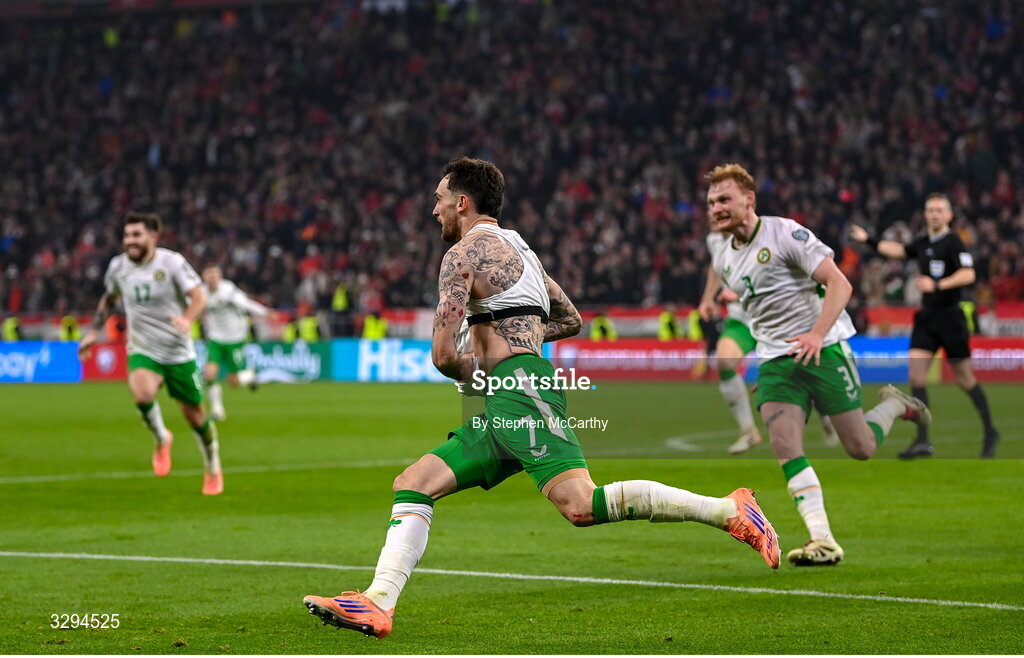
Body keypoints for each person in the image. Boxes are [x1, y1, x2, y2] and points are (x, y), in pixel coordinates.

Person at [303, 157, 780, 639]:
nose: (435, 209)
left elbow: (443, 356)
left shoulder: (462, 256)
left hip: (518, 390)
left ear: (462, 203)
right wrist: (520, 343)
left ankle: (728, 510)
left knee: (581, 505)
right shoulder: (521, 250)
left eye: (440, 199)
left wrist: (479, 367)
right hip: (511, 391)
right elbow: (571, 318)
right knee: (415, 482)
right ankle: (378, 601)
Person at [704, 164, 930, 566]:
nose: (716, 208)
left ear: (749, 200)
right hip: (774, 358)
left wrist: (815, 333)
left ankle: (893, 403)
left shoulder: (786, 232)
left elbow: (840, 282)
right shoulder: (722, 252)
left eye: (724, 200)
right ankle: (822, 540)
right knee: (785, 446)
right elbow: (760, 290)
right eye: (710, 203)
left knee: (860, 448)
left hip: (822, 348)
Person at [78, 212, 223, 496]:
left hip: (178, 351)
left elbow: (199, 296)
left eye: (136, 235)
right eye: (126, 235)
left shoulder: (172, 263)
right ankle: (161, 437)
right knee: (142, 393)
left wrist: (187, 320)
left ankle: (212, 464)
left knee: (195, 418)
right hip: (144, 347)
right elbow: (110, 297)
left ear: (152, 237)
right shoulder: (118, 267)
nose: (129, 241)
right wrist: (94, 331)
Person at [850, 194, 1000, 458]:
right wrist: (868, 240)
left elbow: (969, 274)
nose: (934, 214)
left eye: (939, 210)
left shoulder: (954, 243)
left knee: (965, 379)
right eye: (930, 210)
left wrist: (937, 285)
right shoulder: (922, 242)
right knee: (916, 377)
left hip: (951, 316)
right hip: (927, 316)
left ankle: (990, 431)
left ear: (949, 215)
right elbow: (898, 250)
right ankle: (922, 441)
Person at [699, 241, 840, 454]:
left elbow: (776, 273)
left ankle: (825, 411)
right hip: (742, 320)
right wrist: (707, 298)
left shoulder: (766, 233)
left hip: (776, 318)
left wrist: (739, 294)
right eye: (711, 206)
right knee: (724, 361)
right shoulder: (715, 239)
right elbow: (716, 266)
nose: (715, 212)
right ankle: (748, 431)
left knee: (803, 367)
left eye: (720, 205)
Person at [200, 265, 269, 421]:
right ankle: (218, 410)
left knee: (233, 382)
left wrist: (265, 312)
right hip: (215, 339)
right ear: (205, 278)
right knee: (209, 374)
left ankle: (249, 376)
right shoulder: (202, 293)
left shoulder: (228, 290)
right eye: (209, 276)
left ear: (220, 277)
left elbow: (246, 304)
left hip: (235, 339)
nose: (212, 279)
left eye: (215, 276)